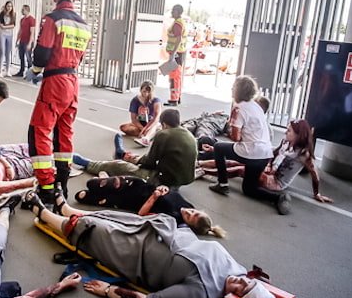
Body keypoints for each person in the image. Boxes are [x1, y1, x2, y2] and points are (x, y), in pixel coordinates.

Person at [21, 191, 296, 298]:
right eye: (246, 282)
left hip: (135, 254)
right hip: (162, 230)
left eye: (241, 289)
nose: (239, 280)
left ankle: (42, 211)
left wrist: (106, 289)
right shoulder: (236, 271)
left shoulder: (200, 297)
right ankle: (67, 208)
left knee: (91, 229)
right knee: (114, 216)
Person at [25, 0, 92, 205]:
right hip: (73, 81)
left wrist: (34, 70)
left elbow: (42, 53)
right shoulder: (84, 25)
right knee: (64, 133)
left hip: (54, 83)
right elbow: (80, 57)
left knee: (40, 132)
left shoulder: (53, 19)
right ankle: (62, 184)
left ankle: (46, 187)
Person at [201, 118, 333, 212]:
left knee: (241, 169)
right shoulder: (286, 142)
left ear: (298, 135)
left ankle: (204, 171)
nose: (286, 132)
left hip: (277, 181)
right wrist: (268, 165)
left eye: (289, 131)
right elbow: (273, 153)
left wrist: (317, 193)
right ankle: (200, 165)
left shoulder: (304, 155)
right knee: (239, 161)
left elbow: (315, 174)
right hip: (271, 171)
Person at [73, 108, 197, 189]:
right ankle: (122, 155)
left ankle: (88, 163)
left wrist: (136, 160)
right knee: (132, 161)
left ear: (164, 124)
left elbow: (150, 161)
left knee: (120, 166)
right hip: (181, 179)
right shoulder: (189, 135)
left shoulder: (164, 135)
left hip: (163, 180)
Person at [209, 75, 281, 210]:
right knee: (249, 188)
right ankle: (276, 198)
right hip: (265, 154)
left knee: (219, 147)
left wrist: (230, 127)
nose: (231, 90)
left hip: (250, 152)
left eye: (233, 88)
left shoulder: (238, 108)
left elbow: (236, 137)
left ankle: (222, 184)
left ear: (238, 91)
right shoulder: (256, 106)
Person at [75, 177, 225, 237]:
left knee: (81, 196)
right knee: (92, 183)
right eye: (193, 211)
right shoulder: (188, 205)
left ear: (187, 223)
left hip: (129, 199)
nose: (188, 211)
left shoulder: (173, 218)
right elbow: (170, 191)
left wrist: (154, 197)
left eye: (189, 216)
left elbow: (141, 215)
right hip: (139, 184)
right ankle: (106, 179)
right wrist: (164, 187)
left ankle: (105, 187)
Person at [164, 4, 187, 106]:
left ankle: (174, 99)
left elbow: (178, 39)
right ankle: (177, 97)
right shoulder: (180, 22)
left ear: (178, 12)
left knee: (174, 77)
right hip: (179, 53)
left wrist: (173, 53)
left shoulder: (177, 24)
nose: (172, 12)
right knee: (177, 76)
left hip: (176, 53)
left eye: (174, 10)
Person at [12, 4, 36, 77]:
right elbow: (20, 30)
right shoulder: (22, 20)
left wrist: (30, 43)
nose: (22, 11)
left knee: (28, 57)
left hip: (27, 41)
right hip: (22, 40)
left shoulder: (31, 19)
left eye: (23, 10)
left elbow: (32, 32)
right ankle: (21, 71)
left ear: (27, 10)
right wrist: (17, 40)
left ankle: (30, 73)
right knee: (21, 56)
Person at [0, 1, 16, 77]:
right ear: (5, 6)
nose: (9, 8)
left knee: (8, 52)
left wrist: (5, 26)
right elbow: (1, 25)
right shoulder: (2, 14)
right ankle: (0, 71)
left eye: (11, 6)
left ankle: (8, 70)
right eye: (8, 6)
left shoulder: (13, 14)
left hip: (10, 34)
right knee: (2, 52)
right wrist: (7, 26)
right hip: (2, 34)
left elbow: (13, 25)